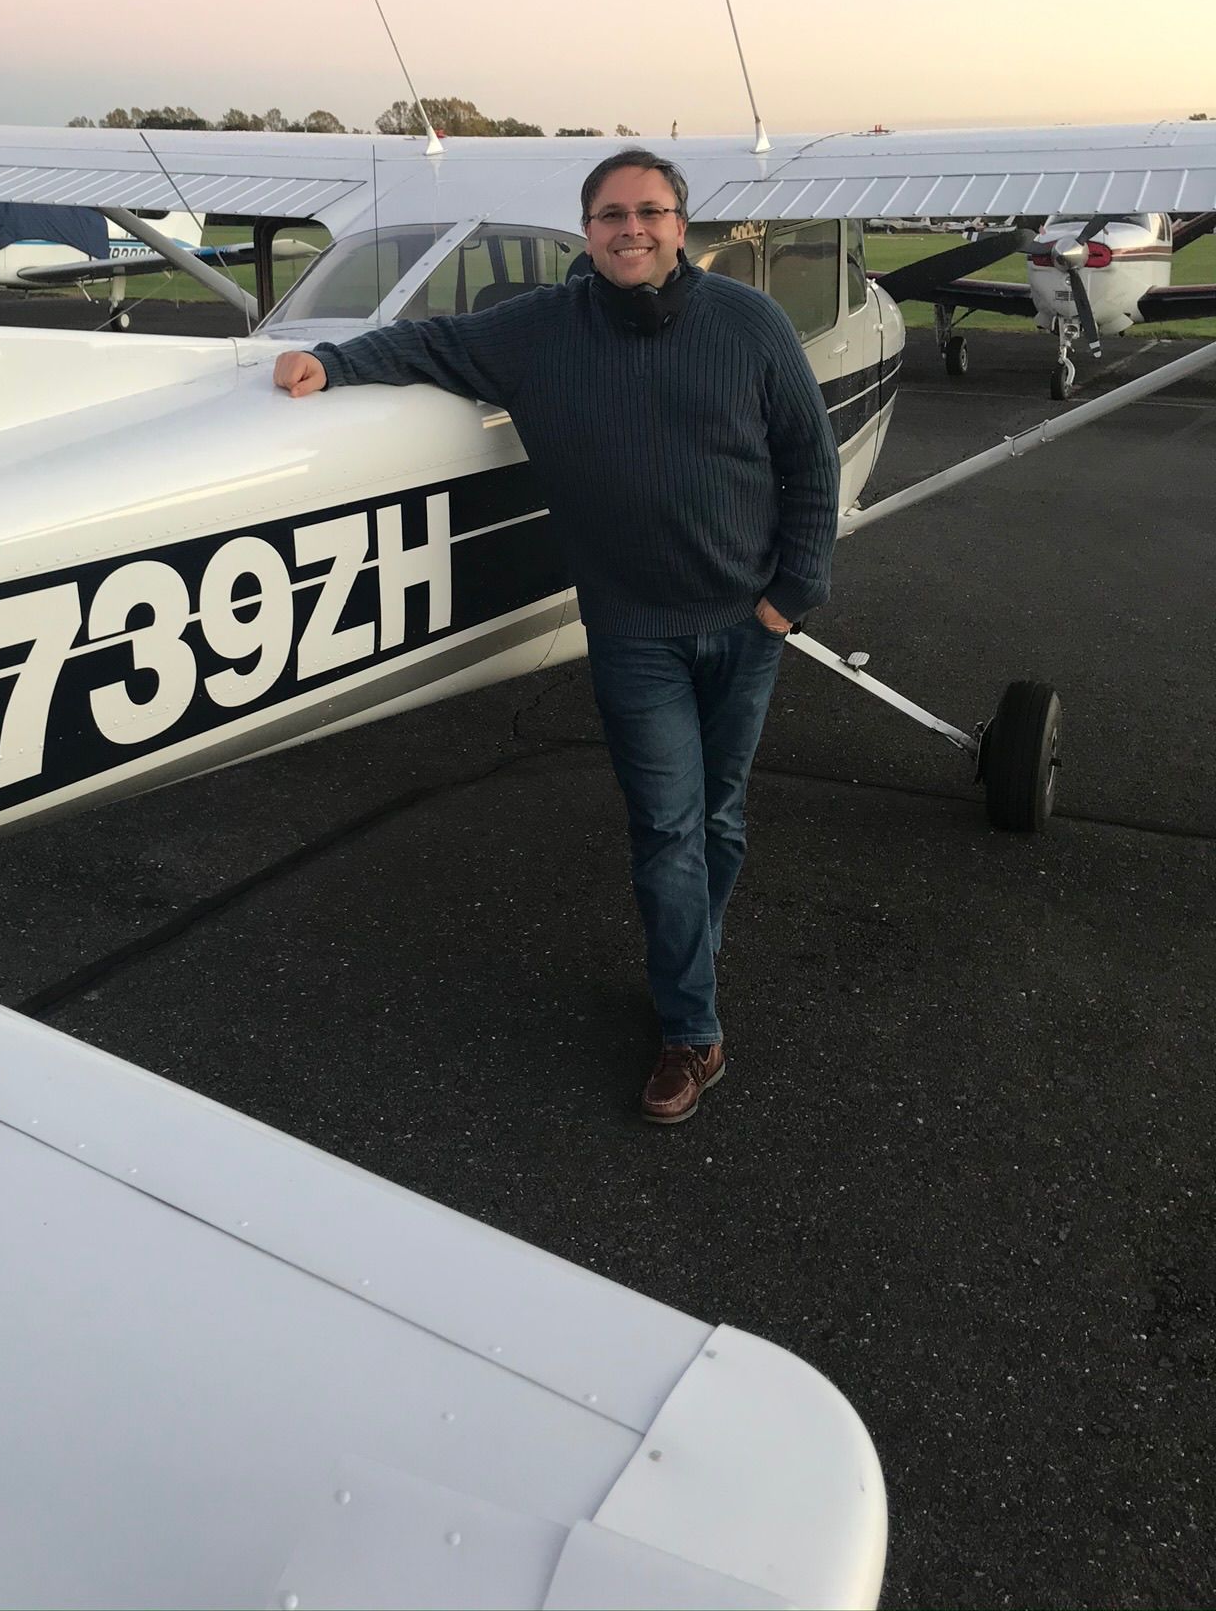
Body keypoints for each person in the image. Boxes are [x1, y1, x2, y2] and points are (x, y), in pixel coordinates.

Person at [274, 150, 840, 1124]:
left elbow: (810, 458)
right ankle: (689, 1029)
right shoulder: (540, 329)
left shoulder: (750, 324)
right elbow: (433, 342)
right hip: (632, 635)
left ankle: (684, 965)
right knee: (668, 828)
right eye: (613, 214)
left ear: (680, 224)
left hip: (746, 625)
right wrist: (333, 362)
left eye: (652, 211)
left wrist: (792, 593)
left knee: (719, 820)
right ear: (589, 231)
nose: (634, 228)